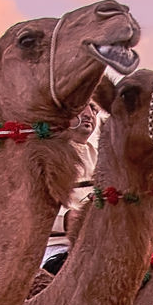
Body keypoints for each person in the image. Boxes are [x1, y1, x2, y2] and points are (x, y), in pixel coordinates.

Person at [42, 103, 100, 274]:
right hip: (55, 248)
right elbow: (24, 210)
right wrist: (65, 220)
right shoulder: (44, 155)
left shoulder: (103, 157)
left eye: (93, 110)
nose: (89, 114)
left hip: (98, 245)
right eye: (81, 107)